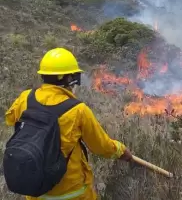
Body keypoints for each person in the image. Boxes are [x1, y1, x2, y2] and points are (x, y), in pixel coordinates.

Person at [4, 47, 133, 200]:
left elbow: (10, 119)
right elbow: (101, 146)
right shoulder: (78, 110)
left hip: (35, 190)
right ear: (69, 78)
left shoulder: (25, 98)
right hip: (71, 193)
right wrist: (122, 151)